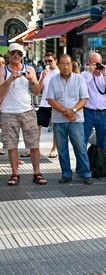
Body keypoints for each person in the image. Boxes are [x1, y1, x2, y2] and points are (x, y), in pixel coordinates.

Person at [0, 43, 47, 185]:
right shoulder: (3, 70)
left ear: (23, 56)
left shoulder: (30, 69)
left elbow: (37, 91)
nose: (16, 56)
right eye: (13, 53)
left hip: (27, 111)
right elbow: (1, 92)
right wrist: (10, 80)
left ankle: (37, 172)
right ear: (8, 54)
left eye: (19, 54)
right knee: (11, 145)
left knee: (34, 144)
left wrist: (32, 80)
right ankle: (15, 173)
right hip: (8, 112)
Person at [47, 54, 92, 185]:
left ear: (72, 65)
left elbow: (84, 99)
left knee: (80, 147)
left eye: (68, 63)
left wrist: (72, 111)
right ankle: (66, 174)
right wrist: (64, 111)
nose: (66, 66)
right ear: (58, 64)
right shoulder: (53, 80)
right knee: (62, 149)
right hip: (58, 120)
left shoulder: (79, 79)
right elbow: (50, 99)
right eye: (63, 64)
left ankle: (85, 173)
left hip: (76, 120)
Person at [81, 52, 106, 151]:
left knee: (102, 143)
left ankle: (100, 165)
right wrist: (90, 73)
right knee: (82, 142)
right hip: (88, 112)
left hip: (103, 114)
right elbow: (81, 89)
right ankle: (83, 166)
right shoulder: (84, 75)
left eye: (97, 63)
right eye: (93, 63)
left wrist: (105, 74)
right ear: (88, 63)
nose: (96, 66)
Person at [34, 52, 60, 159]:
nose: (48, 63)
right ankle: (35, 149)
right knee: (37, 127)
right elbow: (38, 90)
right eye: (46, 61)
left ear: (55, 60)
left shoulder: (59, 72)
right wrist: (42, 76)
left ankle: (54, 148)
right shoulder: (45, 73)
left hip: (56, 103)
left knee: (56, 127)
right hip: (44, 103)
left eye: (50, 60)